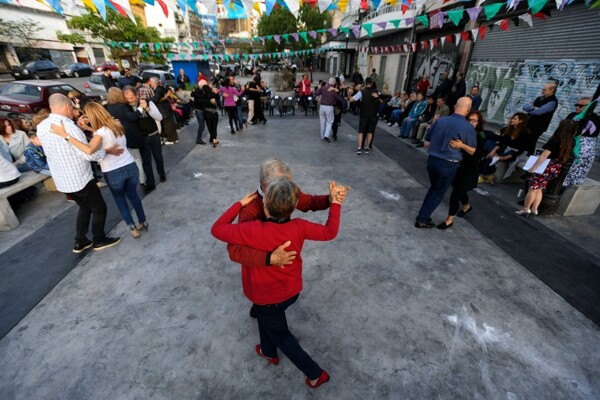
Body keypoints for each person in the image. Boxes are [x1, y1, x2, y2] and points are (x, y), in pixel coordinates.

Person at [212, 179, 346, 390]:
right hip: (292, 291)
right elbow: (330, 232)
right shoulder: (299, 227)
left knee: (281, 334)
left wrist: (239, 204)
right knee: (267, 319)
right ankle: (268, 351)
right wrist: (335, 202)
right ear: (293, 207)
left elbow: (217, 229)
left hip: (267, 298)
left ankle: (315, 374)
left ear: (264, 206)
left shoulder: (252, 230)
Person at [37, 94, 122, 252]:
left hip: (62, 180)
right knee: (99, 208)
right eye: (73, 108)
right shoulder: (68, 127)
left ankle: (80, 241)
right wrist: (106, 151)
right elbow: (89, 153)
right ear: (68, 106)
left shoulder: (42, 126)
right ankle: (99, 239)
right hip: (79, 178)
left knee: (85, 207)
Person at [50, 102, 149, 238]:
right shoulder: (116, 124)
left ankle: (132, 228)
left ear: (92, 116)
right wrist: (88, 128)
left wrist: (65, 135)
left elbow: (89, 150)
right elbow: (105, 134)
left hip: (113, 171)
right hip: (130, 166)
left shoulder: (99, 134)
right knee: (133, 196)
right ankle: (143, 222)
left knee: (120, 200)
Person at [415, 97, 477, 228]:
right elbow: (472, 151)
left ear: (455, 106)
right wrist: (461, 146)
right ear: (468, 109)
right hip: (448, 164)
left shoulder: (441, 120)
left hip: (432, 161)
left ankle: (423, 215)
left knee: (434, 188)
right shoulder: (468, 127)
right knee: (438, 192)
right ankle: (422, 218)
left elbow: (427, 137)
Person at [516, 119, 577, 216]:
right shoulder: (571, 141)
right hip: (555, 167)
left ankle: (526, 208)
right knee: (539, 188)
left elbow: (544, 155)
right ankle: (534, 209)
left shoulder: (556, 139)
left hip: (545, 166)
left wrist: (533, 168)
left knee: (533, 189)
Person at [437, 111, 486, 229]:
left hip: (470, 170)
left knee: (455, 194)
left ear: (479, 123)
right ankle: (466, 206)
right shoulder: (464, 131)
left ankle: (449, 220)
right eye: (469, 119)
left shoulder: (479, 135)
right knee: (459, 190)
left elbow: (478, 154)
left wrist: (462, 146)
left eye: (474, 120)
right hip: (459, 166)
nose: (471, 122)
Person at [122, 86, 166, 194]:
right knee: (146, 162)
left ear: (137, 95)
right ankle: (150, 183)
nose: (130, 100)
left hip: (154, 135)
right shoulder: (126, 108)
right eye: (127, 98)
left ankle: (162, 174)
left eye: (132, 98)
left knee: (158, 157)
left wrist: (147, 108)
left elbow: (159, 117)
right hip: (142, 139)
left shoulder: (148, 102)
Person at [479, 112, 532, 185]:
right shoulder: (509, 129)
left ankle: (484, 176)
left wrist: (507, 157)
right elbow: (501, 142)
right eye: (512, 118)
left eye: (514, 119)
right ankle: (494, 159)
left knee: (491, 156)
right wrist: (494, 151)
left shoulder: (525, 133)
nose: (512, 120)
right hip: (505, 148)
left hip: (515, 152)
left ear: (521, 121)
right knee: (489, 143)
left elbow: (521, 150)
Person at [563, 97, 599, 186]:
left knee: (577, 169)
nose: (577, 107)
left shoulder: (595, 118)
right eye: (577, 105)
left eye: (581, 106)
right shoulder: (572, 115)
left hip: (583, 148)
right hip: (569, 145)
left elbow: (593, 133)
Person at [523, 82, 558, 154]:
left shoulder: (552, 102)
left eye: (544, 90)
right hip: (528, 123)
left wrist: (532, 110)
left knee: (531, 142)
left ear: (551, 90)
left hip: (538, 127)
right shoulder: (539, 98)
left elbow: (538, 112)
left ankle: (527, 158)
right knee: (523, 140)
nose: (542, 91)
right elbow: (525, 107)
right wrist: (534, 108)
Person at [348, 77, 380, 154]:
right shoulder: (376, 92)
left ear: (365, 83)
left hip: (363, 114)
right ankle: (367, 147)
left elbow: (351, 100)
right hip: (373, 115)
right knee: (370, 132)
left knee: (361, 131)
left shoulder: (361, 92)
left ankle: (359, 148)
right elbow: (380, 100)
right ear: (372, 83)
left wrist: (350, 93)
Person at [149, 77, 178, 145]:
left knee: (167, 125)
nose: (150, 83)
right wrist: (164, 97)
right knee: (170, 124)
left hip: (164, 110)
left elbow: (156, 99)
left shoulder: (158, 90)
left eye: (151, 82)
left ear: (154, 82)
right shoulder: (159, 88)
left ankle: (171, 140)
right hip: (166, 109)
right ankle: (174, 138)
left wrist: (148, 99)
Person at [315, 77, 345, 143]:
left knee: (322, 122)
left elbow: (316, 93)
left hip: (322, 106)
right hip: (329, 107)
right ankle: (326, 135)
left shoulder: (323, 88)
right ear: (334, 83)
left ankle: (322, 136)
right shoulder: (333, 90)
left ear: (328, 82)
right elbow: (340, 99)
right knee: (329, 121)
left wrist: (319, 88)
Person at [192, 80, 219, 147]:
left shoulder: (204, 91)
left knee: (208, 125)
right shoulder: (198, 91)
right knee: (202, 125)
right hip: (199, 110)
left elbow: (212, 97)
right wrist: (210, 100)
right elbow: (200, 100)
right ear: (201, 85)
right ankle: (199, 139)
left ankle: (212, 138)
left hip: (205, 110)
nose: (206, 86)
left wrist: (214, 93)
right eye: (205, 85)